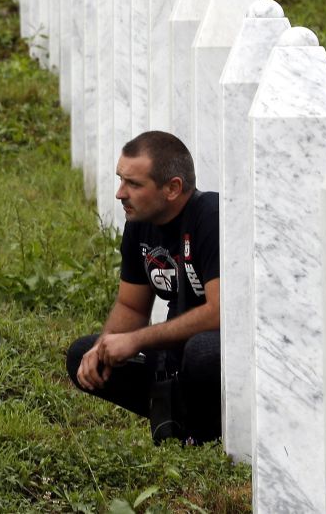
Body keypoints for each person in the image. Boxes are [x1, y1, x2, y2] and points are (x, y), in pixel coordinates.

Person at [65, 130, 220, 444]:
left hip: (222, 353)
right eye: (121, 180)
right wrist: (107, 346)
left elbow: (220, 313)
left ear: (172, 188)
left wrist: (134, 340)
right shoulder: (138, 224)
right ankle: (179, 418)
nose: (120, 194)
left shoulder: (211, 217)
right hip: (173, 356)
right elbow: (131, 306)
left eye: (133, 184)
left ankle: (208, 428)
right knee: (84, 353)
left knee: (201, 353)